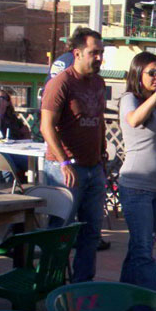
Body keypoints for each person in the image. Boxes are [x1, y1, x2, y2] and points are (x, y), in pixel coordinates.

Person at [40, 27, 107, 282]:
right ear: (77, 53)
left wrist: (102, 155)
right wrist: (64, 162)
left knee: (91, 232)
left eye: (101, 53)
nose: (99, 58)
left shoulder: (99, 82)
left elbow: (99, 120)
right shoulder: (61, 83)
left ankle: (82, 285)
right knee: (60, 231)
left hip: (93, 167)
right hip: (65, 168)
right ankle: (50, 283)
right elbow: (46, 126)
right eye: (94, 53)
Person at [117, 52, 156, 293]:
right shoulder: (130, 98)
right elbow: (133, 120)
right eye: (152, 72)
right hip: (136, 186)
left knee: (139, 247)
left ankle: (124, 296)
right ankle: (150, 305)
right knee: (143, 250)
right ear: (138, 73)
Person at [0, 89, 31, 176]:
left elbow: (25, 132)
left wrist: (25, 136)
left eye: (1, 98)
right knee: (10, 163)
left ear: (7, 103)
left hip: (15, 149)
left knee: (33, 161)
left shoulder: (11, 117)